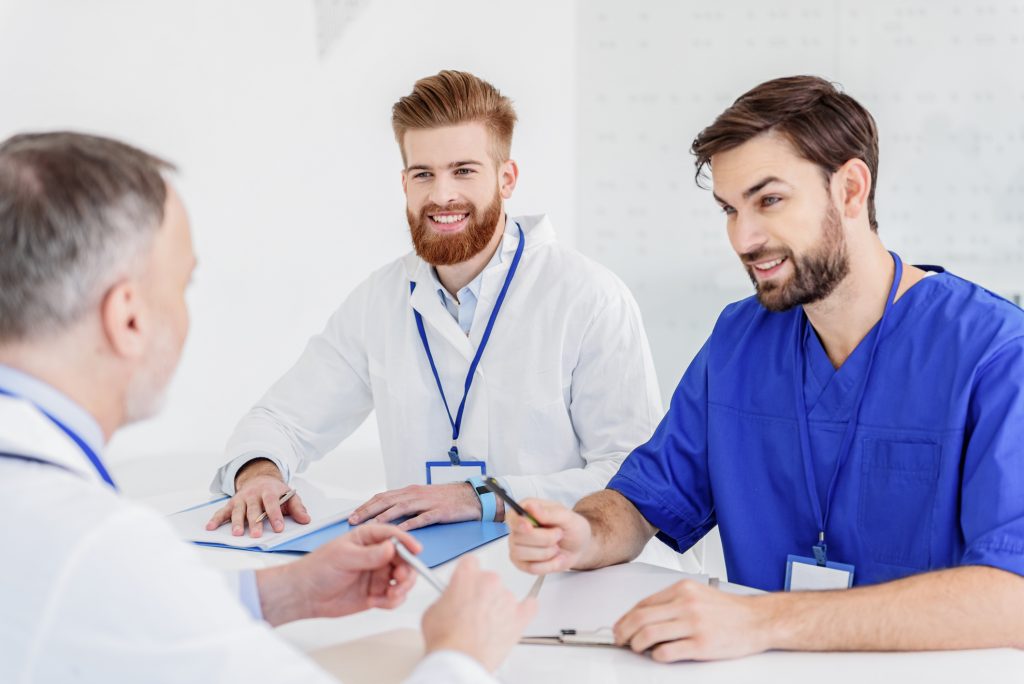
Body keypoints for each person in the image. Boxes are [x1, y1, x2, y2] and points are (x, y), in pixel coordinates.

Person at [506, 75, 1024, 661]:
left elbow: (1012, 596)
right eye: (730, 209)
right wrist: (584, 535)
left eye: (769, 200)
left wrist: (766, 620)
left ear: (850, 190)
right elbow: (642, 501)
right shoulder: (739, 340)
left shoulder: (995, 354)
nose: (743, 238)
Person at [0, 131, 535, 683]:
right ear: (128, 319)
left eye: (464, 170)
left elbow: (103, 607)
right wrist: (461, 654)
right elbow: (106, 583)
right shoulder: (91, 541)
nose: (443, 192)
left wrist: (281, 592)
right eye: (184, 284)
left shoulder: (55, 525)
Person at [207, 70, 661, 537]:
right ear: (404, 183)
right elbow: (282, 420)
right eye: (424, 174)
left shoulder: (590, 297)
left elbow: (633, 478)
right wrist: (260, 472)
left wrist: (483, 496)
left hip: (562, 575)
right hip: (426, 573)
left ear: (507, 179)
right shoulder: (380, 300)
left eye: (464, 170)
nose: (442, 195)